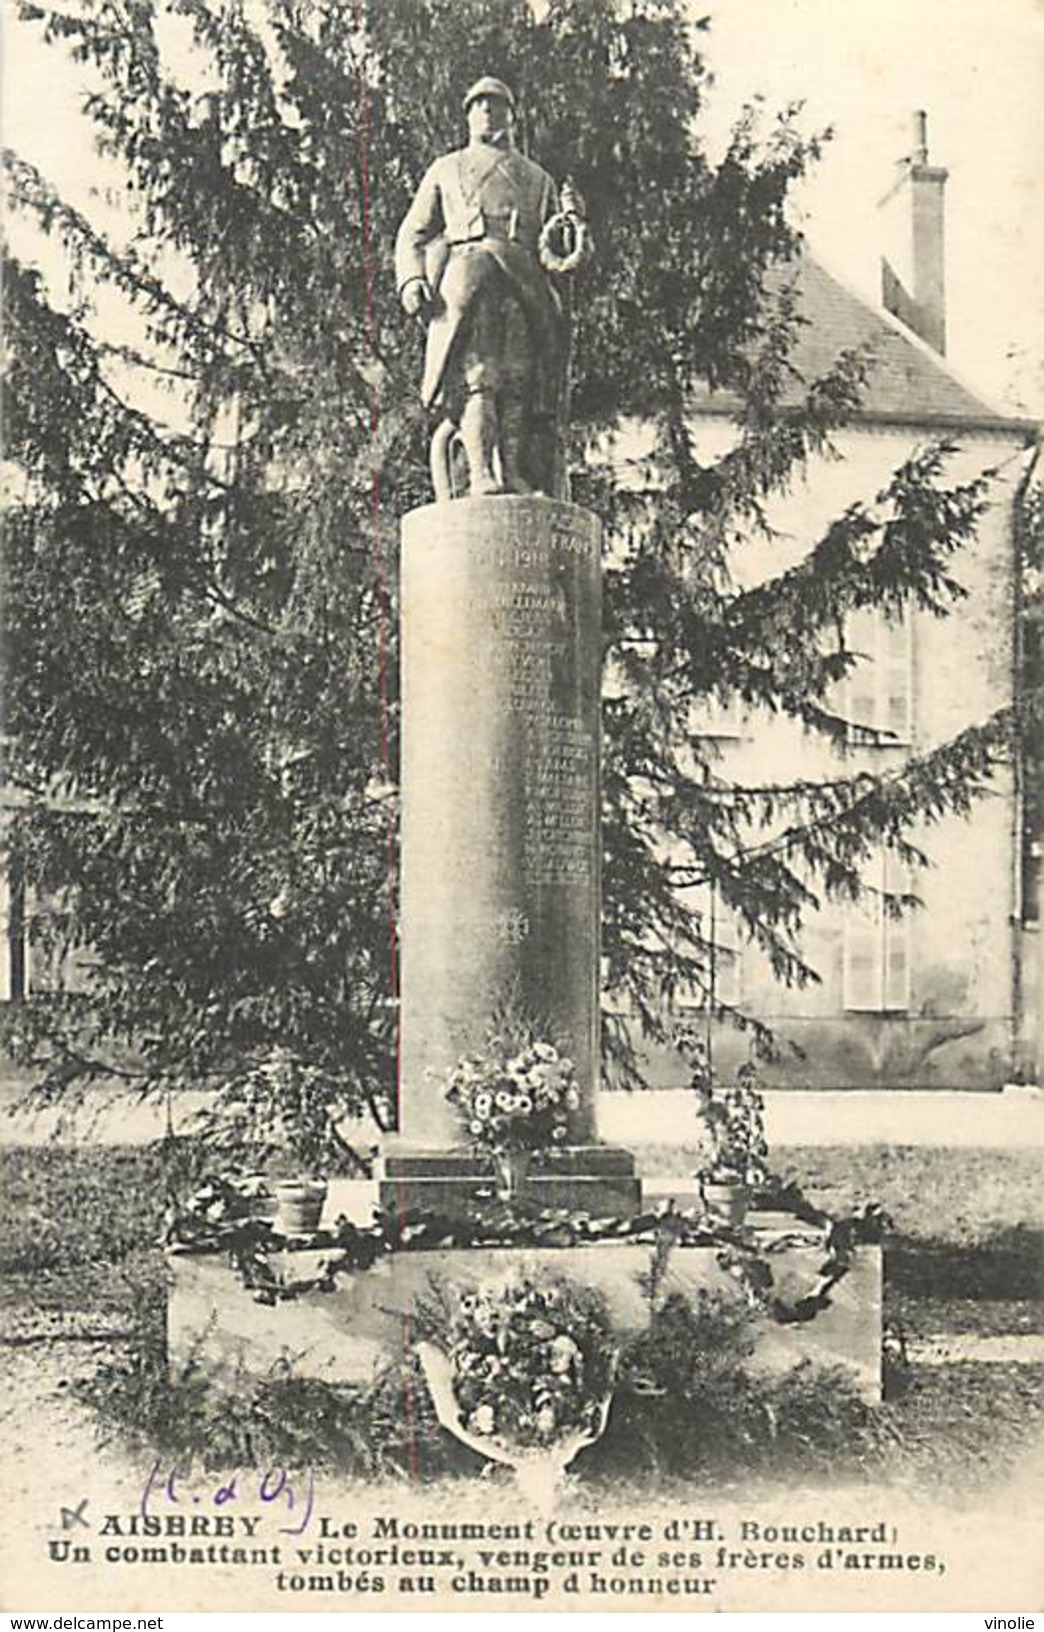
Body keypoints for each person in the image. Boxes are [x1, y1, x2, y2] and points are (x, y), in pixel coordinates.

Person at [394, 76, 585, 498]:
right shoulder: (446, 169)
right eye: (478, 105)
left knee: (519, 381)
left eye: (496, 105)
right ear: (468, 115)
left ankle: (513, 471)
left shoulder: (538, 180)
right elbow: (413, 231)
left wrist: (572, 225)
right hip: (467, 279)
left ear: (511, 116)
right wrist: (411, 280)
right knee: (480, 379)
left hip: (524, 284)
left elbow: (557, 248)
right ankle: (481, 472)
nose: (487, 112)